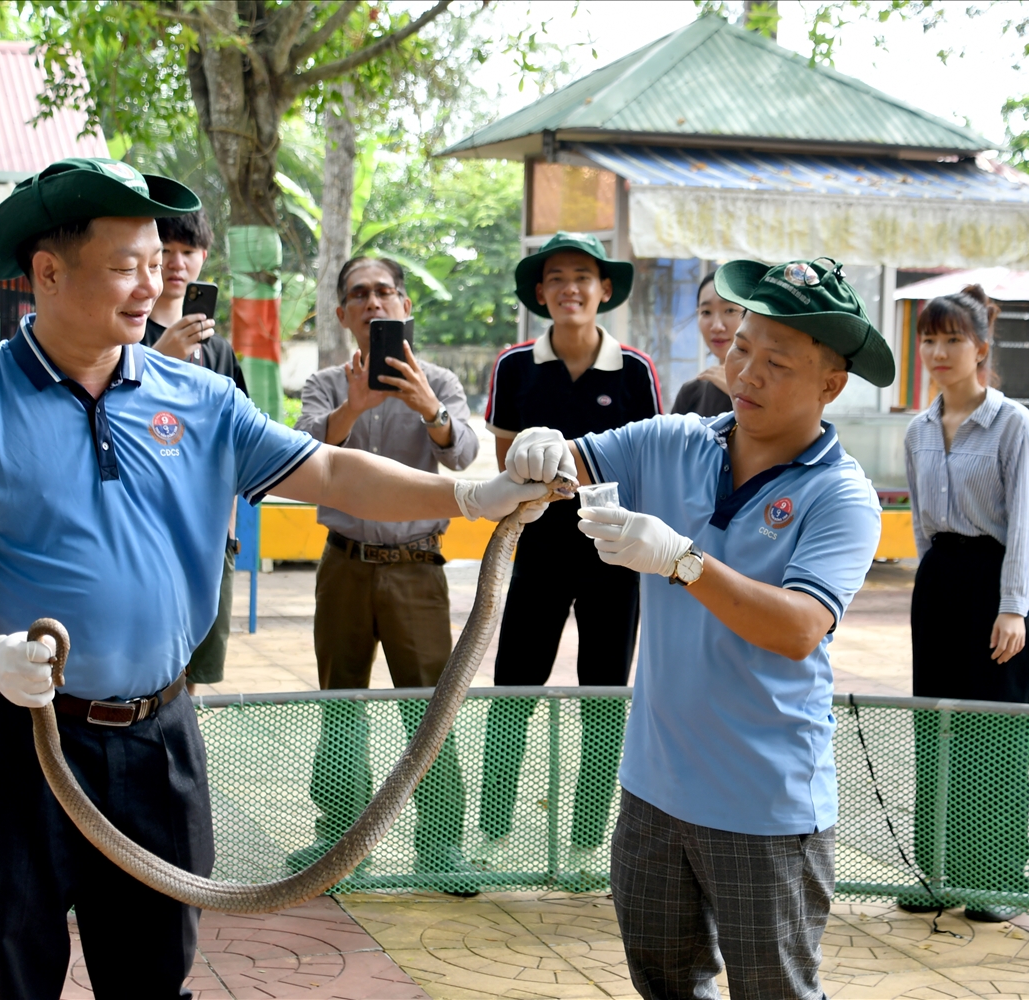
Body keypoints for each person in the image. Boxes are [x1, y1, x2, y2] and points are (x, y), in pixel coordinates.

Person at [0, 156, 550, 997]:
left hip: (159, 736)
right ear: (48, 273)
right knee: (11, 971)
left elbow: (334, 476)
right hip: (22, 741)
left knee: (156, 970)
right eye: (126, 266)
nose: (150, 285)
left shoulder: (198, 399)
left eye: (156, 264)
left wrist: (471, 493)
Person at [504, 256, 894, 1000]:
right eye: (741, 346)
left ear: (830, 384)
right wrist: (546, 447)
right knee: (666, 985)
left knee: (772, 990)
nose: (745, 371)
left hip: (765, 806)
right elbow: (573, 464)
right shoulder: (678, 441)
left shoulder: (842, 497)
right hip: (652, 789)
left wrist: (684, 561)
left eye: (776, 361)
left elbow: (800, 627)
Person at [288, 255, 479, 884]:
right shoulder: (323, 384)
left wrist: (429, 408)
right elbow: (304, 453)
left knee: (431, 707)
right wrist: (353, 406)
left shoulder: (440, 380)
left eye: (385, 292)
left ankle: (441, 845)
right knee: (341, 702)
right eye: (358, 295)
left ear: (405, 307)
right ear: (342, 315)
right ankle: (339, 842)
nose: (373, 303)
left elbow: (465, 455)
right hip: (343, 566)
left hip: (417, 568)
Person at [479, 231, 661, 861]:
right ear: (540, 294)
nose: (570, 289)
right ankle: (492, 834)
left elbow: (650, 463)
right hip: (539, 552)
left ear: (604, 290)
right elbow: (504, 457)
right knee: (514, 690)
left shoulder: (635, 370)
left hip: (615, 556)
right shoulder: (514, 366)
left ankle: (590, 841)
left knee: (604, 695)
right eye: (556, 279)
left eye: (583, 277)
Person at [900, 285, 1029, 924]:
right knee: (934, 728)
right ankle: (935, 874)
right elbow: (921, 525)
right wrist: (935, 577)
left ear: (980, 348)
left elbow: (1028, 522)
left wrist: (1013, 605)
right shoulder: (918, 428)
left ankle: (996, 879)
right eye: (929, 339)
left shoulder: (1015, 424)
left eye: (952, 339)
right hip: (939, 585)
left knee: (995, 735)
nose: (938, 351)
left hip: (996, 588)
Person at [141, 207, 246, 695]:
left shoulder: (220, 351)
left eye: (188, 252)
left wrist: (226, 536)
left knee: (195, 675)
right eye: (166, 251)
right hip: (142, 529)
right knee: (146, 668)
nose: (176, 263)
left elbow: (236, 442)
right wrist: (157, 358)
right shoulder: (127, 337)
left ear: (204, 258)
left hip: (206, 537)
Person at [671, 269, 742, 417]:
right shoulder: (690, 394)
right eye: (706, 312)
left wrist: (739, 394)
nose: (716, 326)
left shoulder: (772, 390)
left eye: (729, 310)